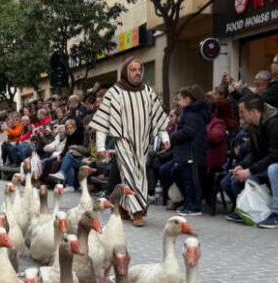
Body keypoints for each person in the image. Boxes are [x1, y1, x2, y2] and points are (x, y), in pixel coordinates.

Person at [89, 58, 169, 226]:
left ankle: (124, 207)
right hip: (123, 140)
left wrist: (165, 136)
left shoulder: (148, 91)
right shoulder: (114, 92)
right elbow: (103, 121)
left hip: (142, 142)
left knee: (139, 174)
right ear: (126, 72)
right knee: (131, 173)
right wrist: (101, 146)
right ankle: (138, 212)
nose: (137, 72)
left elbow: (157, 117)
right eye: (133, 69)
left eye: (139, 69)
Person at [224, 94, 278, 221]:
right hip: (267, 161)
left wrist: (249, 170)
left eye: (242, 112)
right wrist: (243, 166)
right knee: (232, 179)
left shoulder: (276, 122)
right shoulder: (254, 125)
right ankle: (247, 209)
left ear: (254, 112)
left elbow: (276, 155)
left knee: (270, 170)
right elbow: (255, 152)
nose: (240, 115)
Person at [166, 85, 211, 215]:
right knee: (187, 179)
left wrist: (173, 136)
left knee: (191, 180)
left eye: (180, 98)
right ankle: (189, 203)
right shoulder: (193, 112)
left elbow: (189, 131)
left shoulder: (193, 113)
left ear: (188, 99)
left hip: (191, 152)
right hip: (188, 152)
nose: (178, 102)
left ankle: (194, 206)